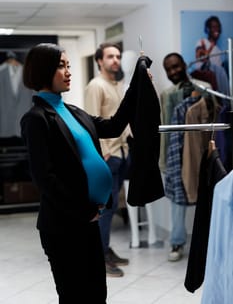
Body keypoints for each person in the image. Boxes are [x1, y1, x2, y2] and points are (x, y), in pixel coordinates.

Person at [20, 43, 156, 303]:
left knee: (96, 293)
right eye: (61, 66)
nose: (68, 71)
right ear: (42, 70)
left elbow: (115, 125)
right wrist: (84, 210)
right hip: (64, 225)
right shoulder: (37, 118)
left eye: (68, 65)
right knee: (75, 296)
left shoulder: (73, 112)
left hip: (88, 219)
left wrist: (138, 84)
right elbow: (44, 178)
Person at [160, 52, 213, 262]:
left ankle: (209, 241)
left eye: (176, 66)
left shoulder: (204, 88)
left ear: (183, 64)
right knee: (177, 201)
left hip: (199, 150)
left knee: (206, 198)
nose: (173, 72)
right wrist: (163, 159)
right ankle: (177, 241)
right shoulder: (166, 94)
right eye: (169, 69)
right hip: (175, 152)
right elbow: (163, 126)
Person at [84, 42, 130, 277]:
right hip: (108, 155)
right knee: (105, 209)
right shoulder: (96, 85)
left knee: (112, 207)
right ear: (100, 61)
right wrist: (102, 154)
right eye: (110, 56)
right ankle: (99, 255)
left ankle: (105, 248)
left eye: (118, 56)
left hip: (121, 153)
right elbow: (91, 122)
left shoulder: (116, 85)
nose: (115, 60)